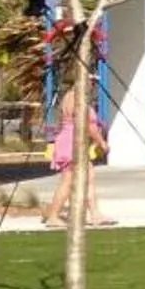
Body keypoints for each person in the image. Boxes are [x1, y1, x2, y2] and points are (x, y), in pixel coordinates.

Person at [42, 87, 115, 227]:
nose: (93, 85)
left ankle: (92, 213)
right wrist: (102, 142)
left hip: (69, 141)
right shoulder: (78, 98)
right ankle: (55, 215)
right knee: (73, 180)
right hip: (72, 142)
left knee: (81, 178)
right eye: (91, 81)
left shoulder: (69, 96)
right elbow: (89, 126)